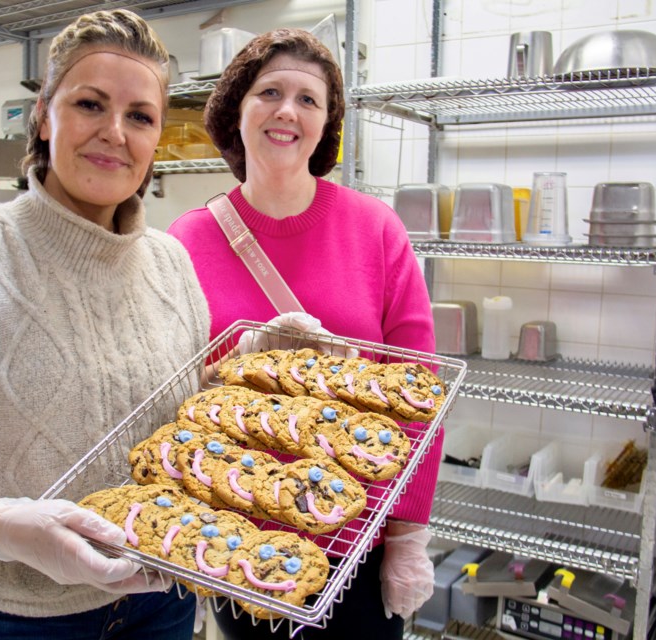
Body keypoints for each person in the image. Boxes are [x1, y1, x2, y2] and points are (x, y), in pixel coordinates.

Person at [0, 10, 210, 639]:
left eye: (140, 115)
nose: (115, 132)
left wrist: (254, 362)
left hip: (161, 597)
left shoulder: (172, 263)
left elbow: (179, 413)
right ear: (44, 116)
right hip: (10, 616)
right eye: (90, 104)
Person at [168, 28, 439, 638]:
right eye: (269, 92)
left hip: (359, 541)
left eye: (308, 99)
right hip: (237, 535)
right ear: (235, 109)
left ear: (326, 126)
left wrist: (407, 535)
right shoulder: (186, 241)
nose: (287, 111)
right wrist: (230, 363)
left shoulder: (375, 230)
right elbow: (173, 396)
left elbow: (421, 395)